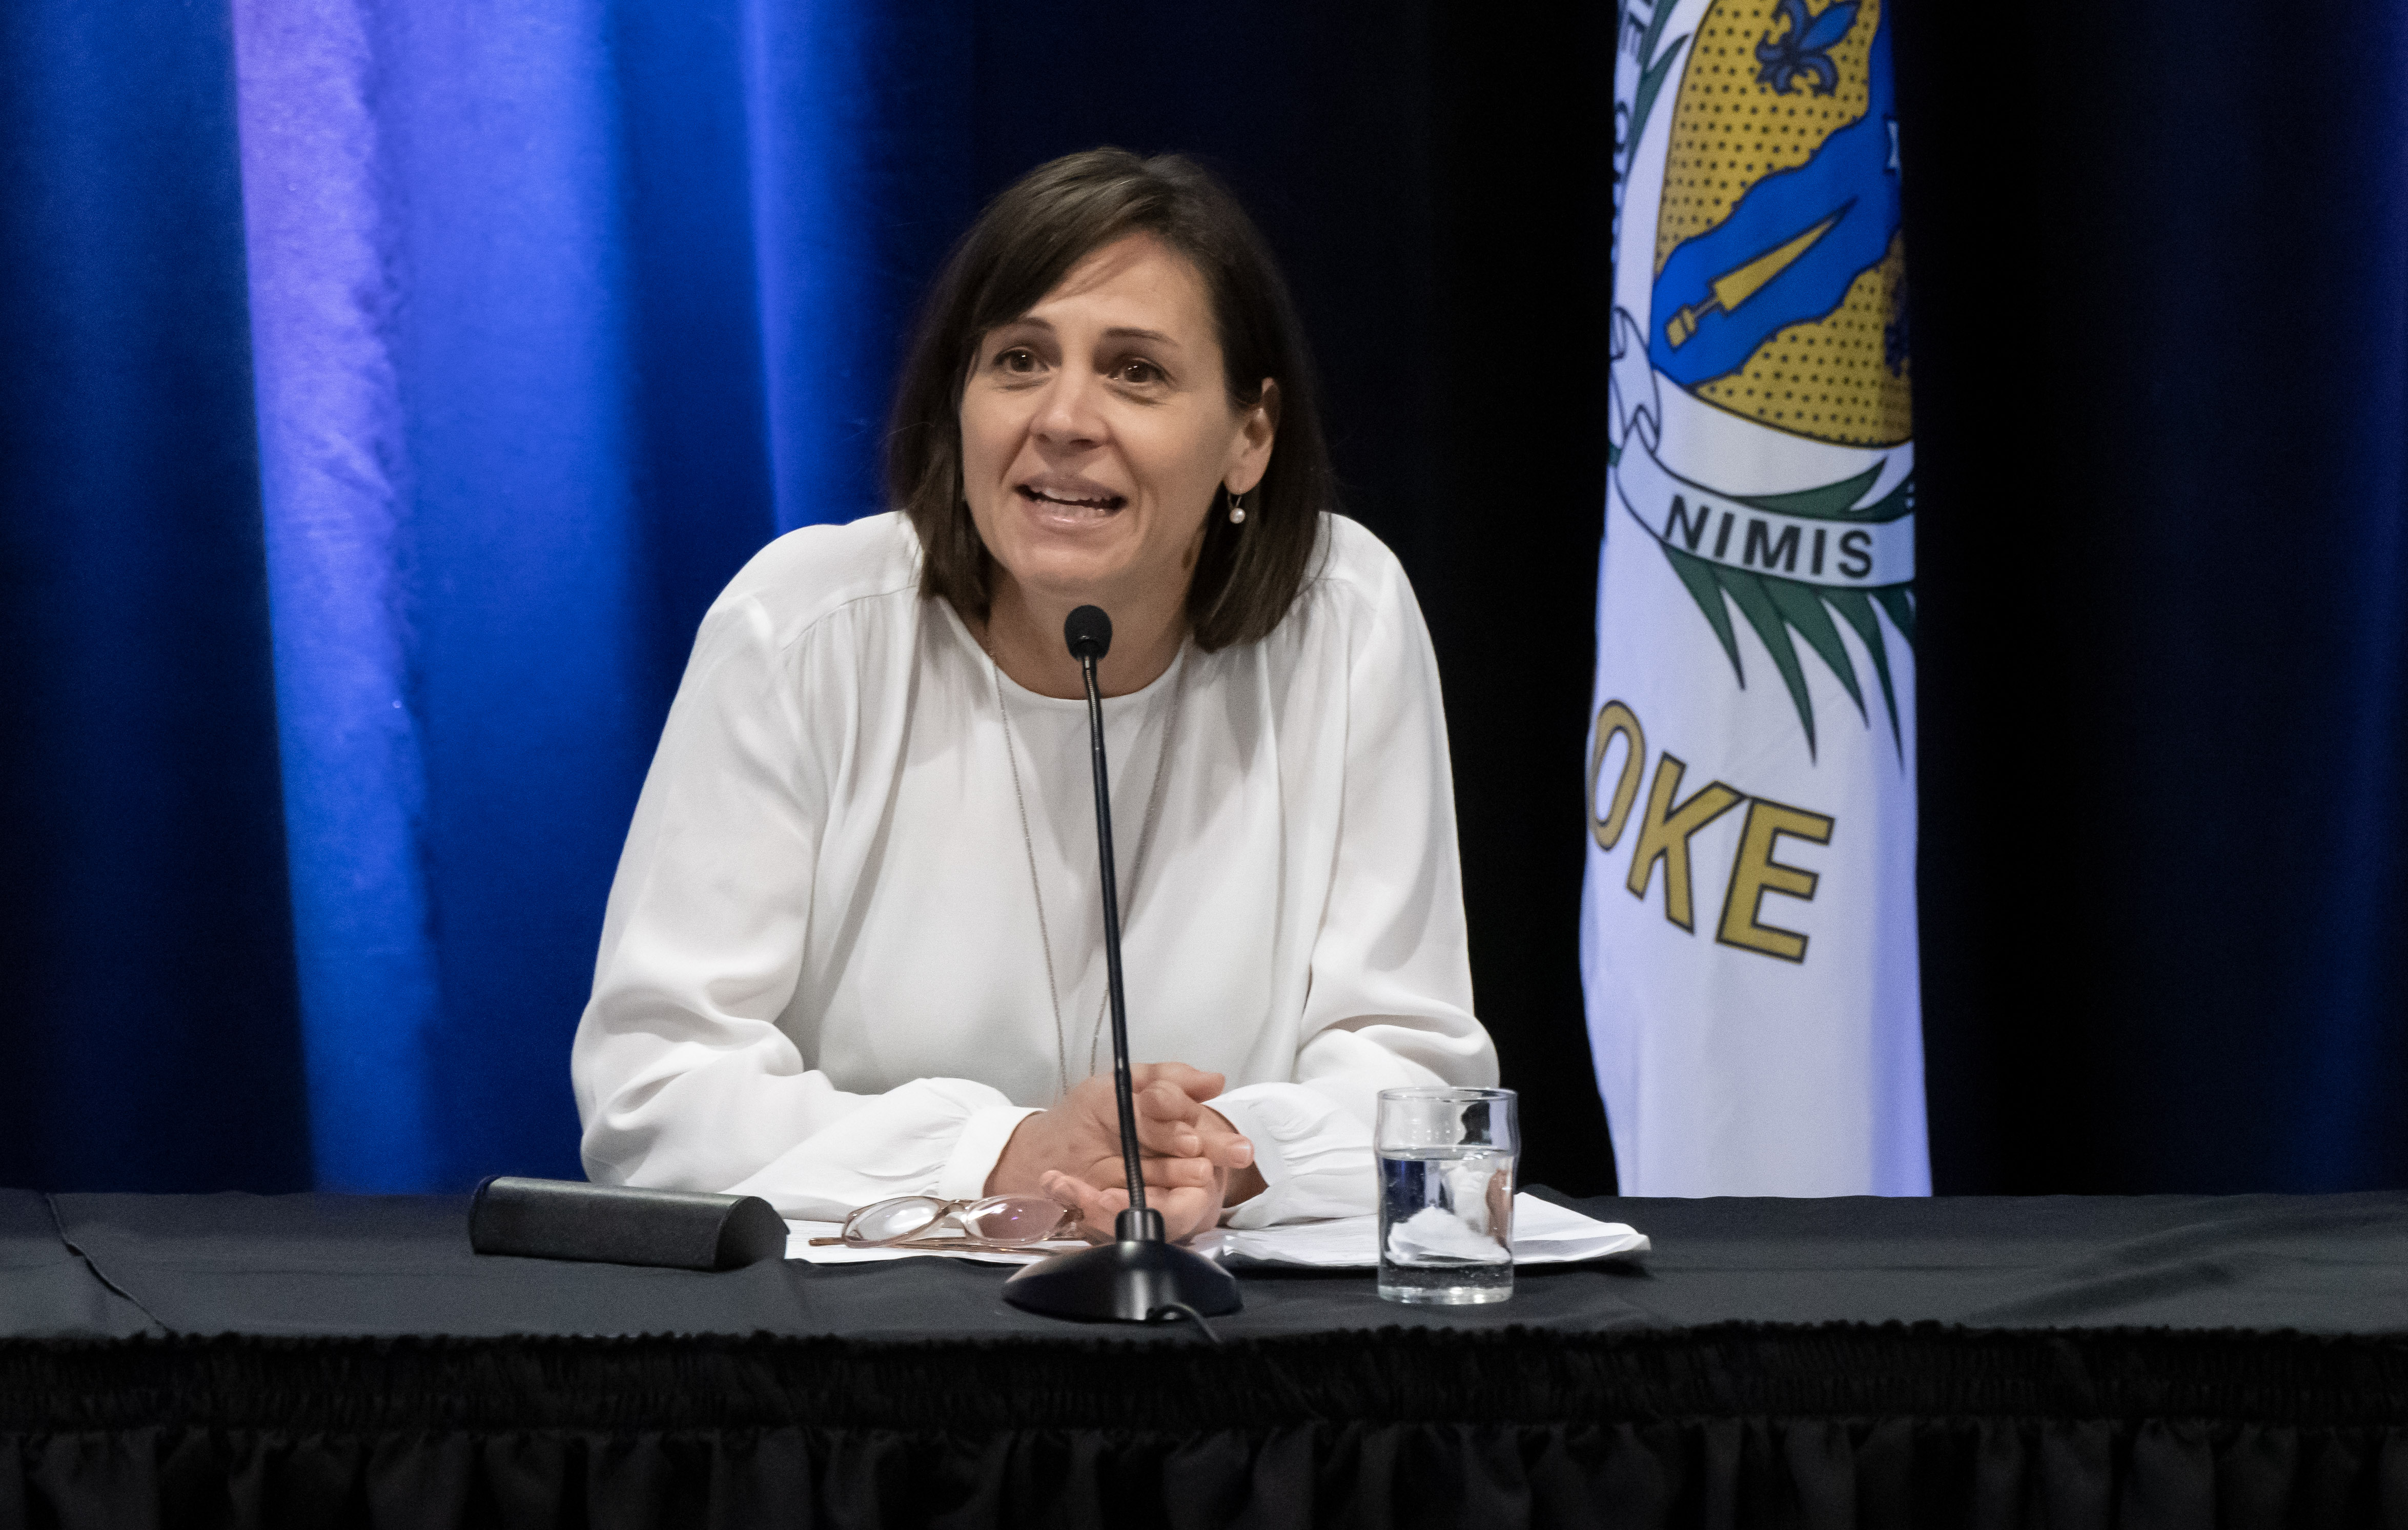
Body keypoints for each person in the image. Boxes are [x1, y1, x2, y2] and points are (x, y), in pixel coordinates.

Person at [572, 148, 1496, 1243]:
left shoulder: (1342, 618)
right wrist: (1003, 1157)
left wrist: (1220, 1160)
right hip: (870, 1325)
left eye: (1135, 372)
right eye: (1018, 359)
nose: (1063, 417)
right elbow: (654, 1090)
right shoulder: (803, 627)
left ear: (1250, 437)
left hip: (1222, 1318)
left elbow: (1415, 1073)